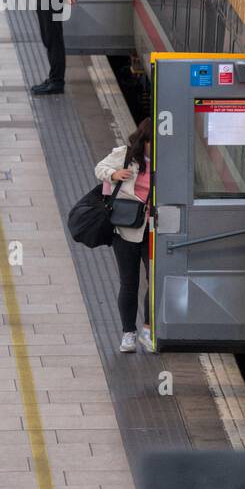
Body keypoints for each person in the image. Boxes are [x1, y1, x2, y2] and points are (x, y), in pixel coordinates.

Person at [94, 119, 153, 354]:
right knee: (129, 283)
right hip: (126, 229)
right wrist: (114, 173)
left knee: (155, 281)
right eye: (153, 143)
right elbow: (99, 169)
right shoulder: (125, 154)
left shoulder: (168, 159)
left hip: (153, 230)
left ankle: (148, 329)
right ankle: (128, 333)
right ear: (145, 141)